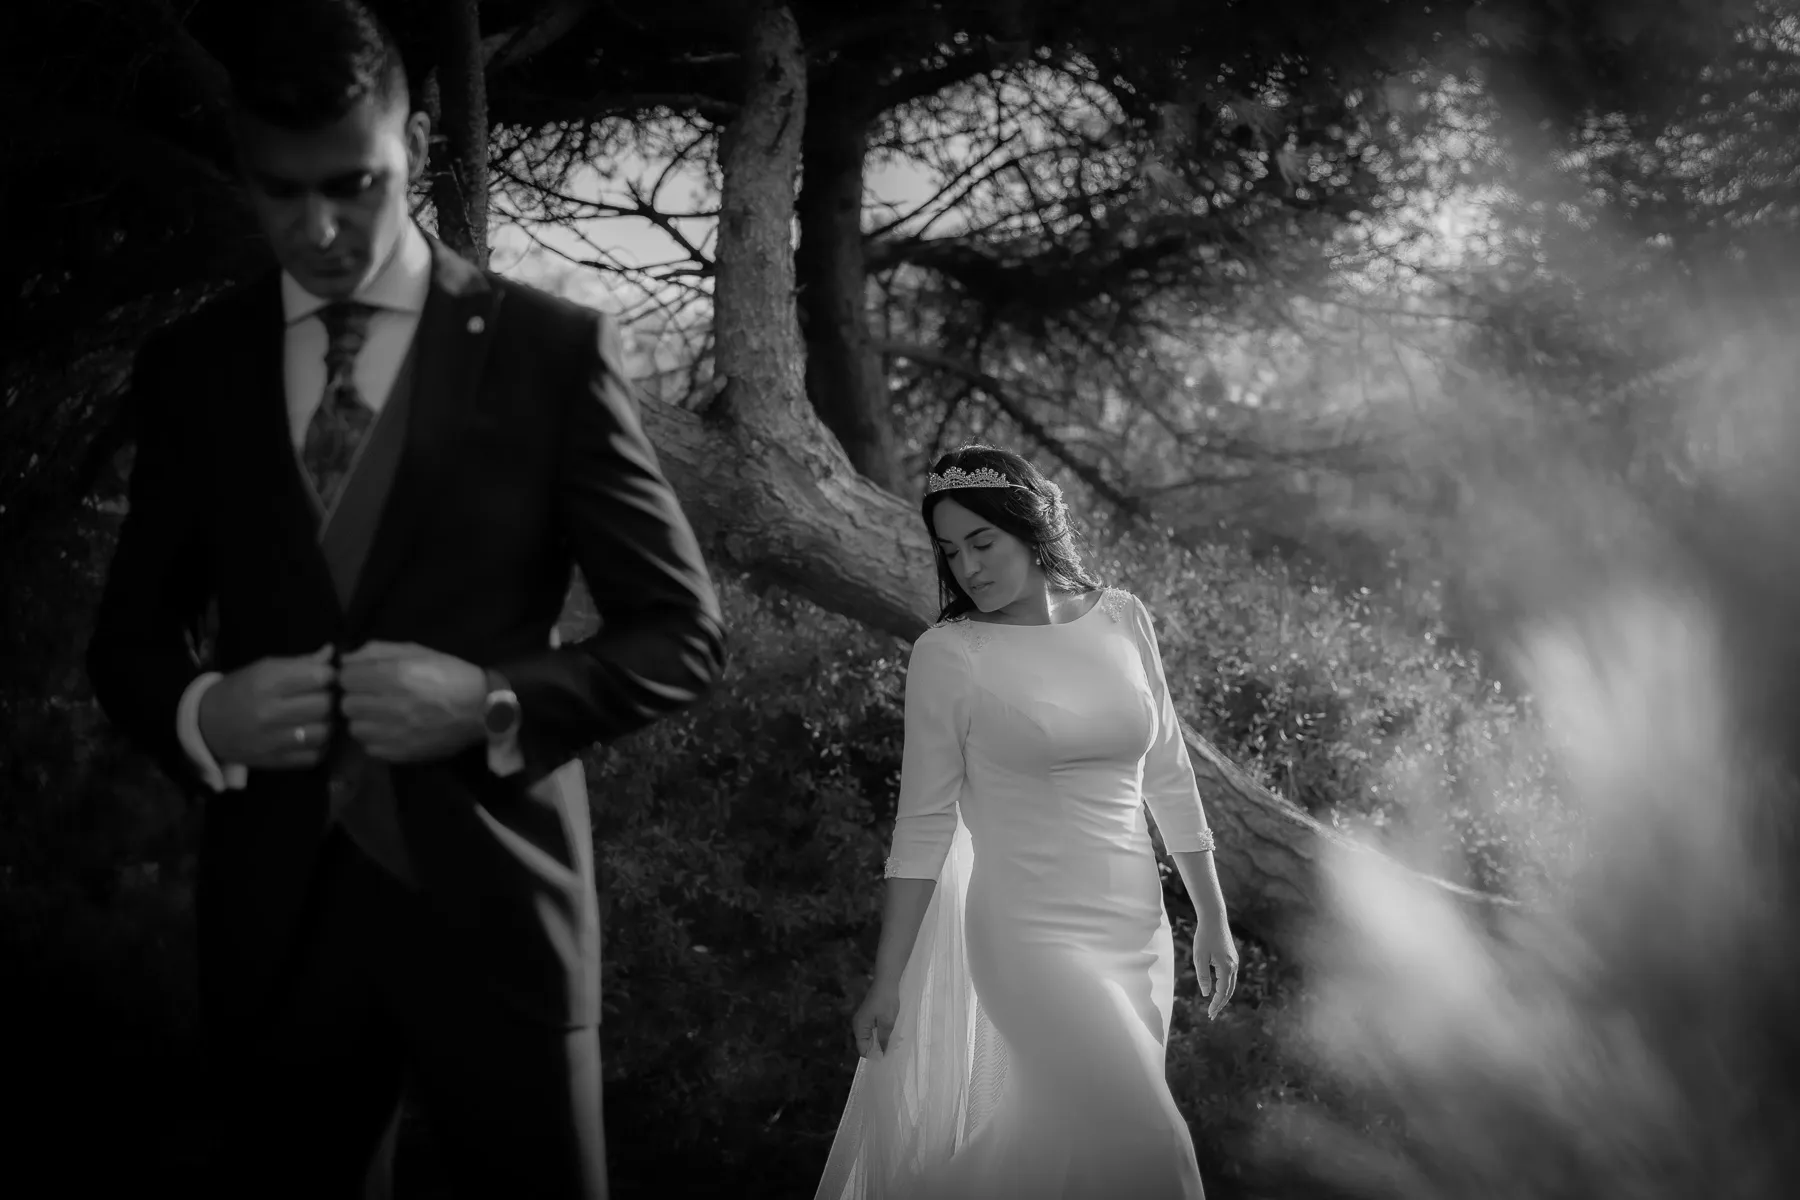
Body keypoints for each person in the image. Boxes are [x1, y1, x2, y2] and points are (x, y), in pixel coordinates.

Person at [83, 2, 724, 1195]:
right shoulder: (193, 371)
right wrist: (202, 715)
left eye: (354, 184)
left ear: (418, 145)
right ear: (242, 165)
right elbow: (128, 641)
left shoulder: (550, 354)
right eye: (280, 193)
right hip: (273, 938)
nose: (318, 229)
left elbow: (684, 634)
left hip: (501, 922)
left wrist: (490, 701)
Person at [814, 445, 1238, 1199]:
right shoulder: (949, 655)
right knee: (1153, 1145)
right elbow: (921, 830)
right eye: (951, 552)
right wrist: (888, 980)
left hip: (1137, 935)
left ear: (1033, 528)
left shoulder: (1122, 618)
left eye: (983, 542)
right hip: (1028, 938)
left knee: (1063, 1153)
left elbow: (1168, 772)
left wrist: (1210, 913)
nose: (968, 568)